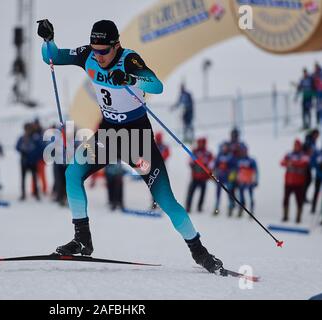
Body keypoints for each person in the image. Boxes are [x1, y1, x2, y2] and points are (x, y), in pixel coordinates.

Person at [37, 19, 224, 274]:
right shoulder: (88, 55)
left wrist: (130, 78)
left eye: (104, 50)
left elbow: (156, 85)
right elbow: (54, 57)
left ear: (116, 45)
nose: (98, 56)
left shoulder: (129, 59)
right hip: (108, 136)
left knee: (165, 200)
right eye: (95, 50)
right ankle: (82, 239)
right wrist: (48, 40)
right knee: (72, 173)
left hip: (137, 141)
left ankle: (199, 252)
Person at [281, 139, 310, 224]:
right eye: (294, 145)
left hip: (299, 183)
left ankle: (298, 217)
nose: (295, 147)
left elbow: (305, 162)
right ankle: (285, 216)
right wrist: (290, 163)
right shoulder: (289, 154)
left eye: (297, 145)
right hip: (288, 182)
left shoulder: (303, 155)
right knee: (286, 199)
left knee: (299, 200)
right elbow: (282, 162)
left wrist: (292, 163)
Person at [185, 137, 213, 213]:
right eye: (199, 143)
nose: (200, 144)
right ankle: (188, 206)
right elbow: (190, 162)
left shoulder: (208, 153)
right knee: (190, 192)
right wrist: (193, 165)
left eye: (201, 143)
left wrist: (209, 171)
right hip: (195, 176)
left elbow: (211, 163)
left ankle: (200, 206)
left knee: (202, 193)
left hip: (203, 177)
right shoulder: (194, 152)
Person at [16, 123, 43, 200]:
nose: (27, 131)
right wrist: (22, 150)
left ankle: (36, 193)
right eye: (26, 129)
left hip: (33, 162)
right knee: (23, 178)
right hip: (24, 162)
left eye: (28, 129)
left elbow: (39, 148)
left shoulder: (35, 138)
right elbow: (17, 147)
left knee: (35, 178)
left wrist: (35, 155)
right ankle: (23, 194)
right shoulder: (22, 138)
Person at [212, 142, 235, 216]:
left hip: (228, 178)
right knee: (218, 194)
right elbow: (215, 166)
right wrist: (214, 174)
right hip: (220, 178)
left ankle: (230, 208)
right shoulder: (219, 155)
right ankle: (216, 208)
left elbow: (233, 167)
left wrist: (231, 176)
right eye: (223, 147)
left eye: (226, 147)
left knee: (229, 193)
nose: (224, 149)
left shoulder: (231, 156)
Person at [235, 146, 258, 217]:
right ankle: (241, 209)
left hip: (249, 181)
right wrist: (236, 179)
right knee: (241, 196)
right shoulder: (238, 160)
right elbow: (236, 171)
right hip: (241, 181)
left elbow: (255, 171)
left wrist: (255, 180)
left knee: (250, 196)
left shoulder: (251, 160)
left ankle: (251, 210)